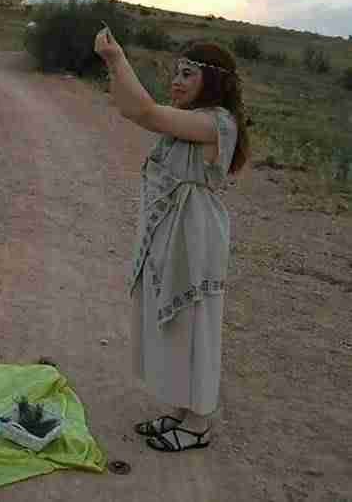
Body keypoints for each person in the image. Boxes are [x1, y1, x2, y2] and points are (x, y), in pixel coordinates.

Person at [93, 30, 250, 453]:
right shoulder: (191, 121)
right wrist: (114, 65)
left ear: (213, 82)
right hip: (175, 232)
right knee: (177, 326)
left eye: (187, 74)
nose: (176, 81)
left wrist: (117, 57)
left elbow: (144, 111)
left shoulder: (217, 121)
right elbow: (128, 108)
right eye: (175, 73)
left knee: (195, 325)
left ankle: (199, 422)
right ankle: (183, 409)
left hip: (195, 235)